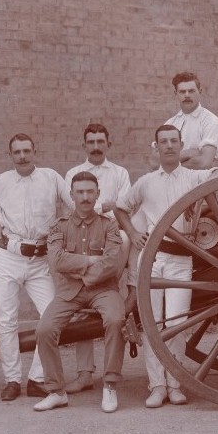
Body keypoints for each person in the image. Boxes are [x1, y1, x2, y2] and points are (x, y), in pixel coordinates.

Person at [114, 124, 218, 408]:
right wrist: (133, 232)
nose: (168, 146)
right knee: (152, 323)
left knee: (176, 324)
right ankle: (157, 386)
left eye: (173, 141)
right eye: (163, 142)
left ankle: (176, 384)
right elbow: (120, 207)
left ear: (181, 145)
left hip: (181, 259)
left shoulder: (193, 177)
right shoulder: (146, 182)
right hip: (152, 259)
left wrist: (215, 178)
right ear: (156, 147)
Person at [0, 133, 74, 401]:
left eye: (27, 151)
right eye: (17, 152)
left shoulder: (51, 177)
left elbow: (73, 205)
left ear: (35, 151)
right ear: (11, 155)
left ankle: (37, 378)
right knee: (7, 320)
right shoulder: (1, 182)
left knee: (51, 317)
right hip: (8, 256)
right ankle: (12, 380)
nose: (23, 156)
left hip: (40, 258)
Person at [34, 172, 126, 413]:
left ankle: (110, 386)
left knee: (116, 319)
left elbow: (114, 262)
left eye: (90, 192)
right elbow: (56, 261)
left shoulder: (109, 225)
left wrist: (86, 272)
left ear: (97, 194)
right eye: (80, 192)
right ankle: (56, 391)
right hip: (69, 292)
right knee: (44, 330)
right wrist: (90, 262)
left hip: (103, 289)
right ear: (72, 195)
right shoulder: (59, 226)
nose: (85, 197)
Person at [63, 123, 133, 395]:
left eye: (100, 141)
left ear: (108, 144)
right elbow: (75, 208)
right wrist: (105, 206)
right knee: (82, 310)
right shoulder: (73, 173)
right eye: (90, 141)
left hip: (112, 238)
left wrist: (106, 209)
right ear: (84, 145)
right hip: (84, 238)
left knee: (126, 240)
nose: (95, 146)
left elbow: (125, 205)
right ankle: (84, 374)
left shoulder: (119, 173)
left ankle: (112, 281)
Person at [149, 71, 218, 171]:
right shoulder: (170, 123)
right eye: (182, 92)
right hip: (171, 183)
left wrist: (168, 163)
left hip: (199, 183)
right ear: (176, 94)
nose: (187, 95)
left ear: (200, 91)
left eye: (191, 91)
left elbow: (204, 163)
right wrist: (190, 153)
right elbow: (154, 163)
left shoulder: (210, 121)